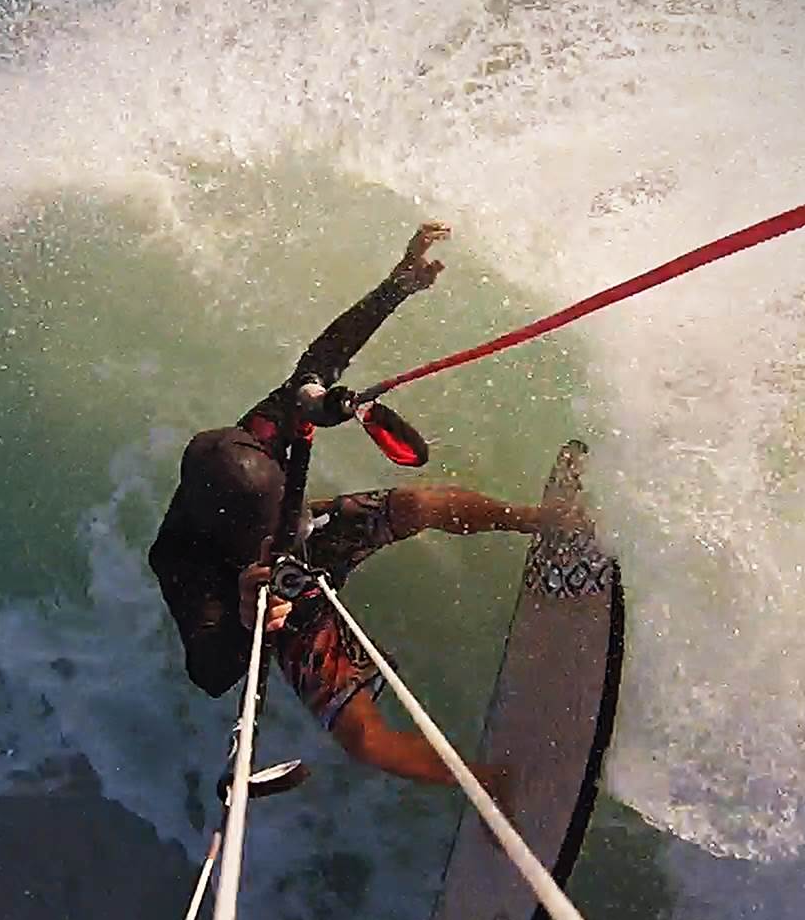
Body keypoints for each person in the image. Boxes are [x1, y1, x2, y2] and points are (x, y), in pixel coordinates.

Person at [147, 222, 552, 801]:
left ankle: (539, 519)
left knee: (417, 504)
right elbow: (209, 673)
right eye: (262, 527)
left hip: (309, 534)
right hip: (274, 597)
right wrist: (247, 618)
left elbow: (322, 358)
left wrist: (399, 284)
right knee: (363, 739)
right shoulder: (183, 564)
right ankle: (494, 788)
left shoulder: (253, 438)